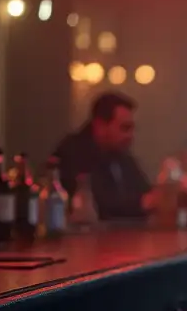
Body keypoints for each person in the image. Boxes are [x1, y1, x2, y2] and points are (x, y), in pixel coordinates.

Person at [52, 92, 156, 220]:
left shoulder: (121, 155)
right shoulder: (73, 153)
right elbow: (97, 205)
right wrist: (142, 203)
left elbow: (144, 191)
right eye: (125, 128)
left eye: (132, 129)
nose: (130, 136)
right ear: (100, 126)